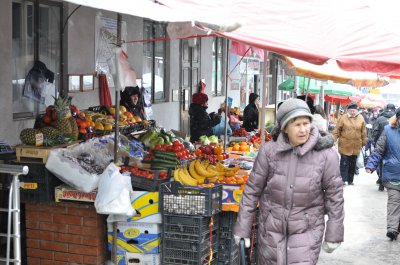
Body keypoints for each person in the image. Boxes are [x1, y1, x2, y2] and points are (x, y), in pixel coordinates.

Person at [234, 98, 344, 264]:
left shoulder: (326, 155)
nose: (303, 130)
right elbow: (251, 191)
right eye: (296, 124)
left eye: (306, 123)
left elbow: (335, 196)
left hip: (307, 232)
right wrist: (242, 229)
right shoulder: (269, 152)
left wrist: (334, 233)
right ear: (285, 127)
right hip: (271, 231)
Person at [365, 108, 400, 240]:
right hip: (393, 174)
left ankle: (396, 227)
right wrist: (371, 165)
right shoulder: (388, 131)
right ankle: (392, 228)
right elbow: (379, 150)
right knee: (394, 201)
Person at [332, 101, 367, 185]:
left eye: (354, 111)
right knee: (344, 163)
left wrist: (364, 143)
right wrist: (333, 139)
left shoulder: (361, 118)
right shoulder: (343, 118)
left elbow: (364, 132)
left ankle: (350, 180)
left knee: (353, 164)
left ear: (356, 111)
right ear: (348, 111)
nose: (352, 112)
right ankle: (343, 180)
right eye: (350, 110)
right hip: (345, 144)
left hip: (356, 145)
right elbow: (337, 130)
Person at [371, 103, 396, 191]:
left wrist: (374, 143)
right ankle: (392, 183)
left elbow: (375, 132)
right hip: (393, 146)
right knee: (392, 164)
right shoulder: (397, 119)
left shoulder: (380, 119)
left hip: (381, 144)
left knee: (381, 163)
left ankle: (381, 182)